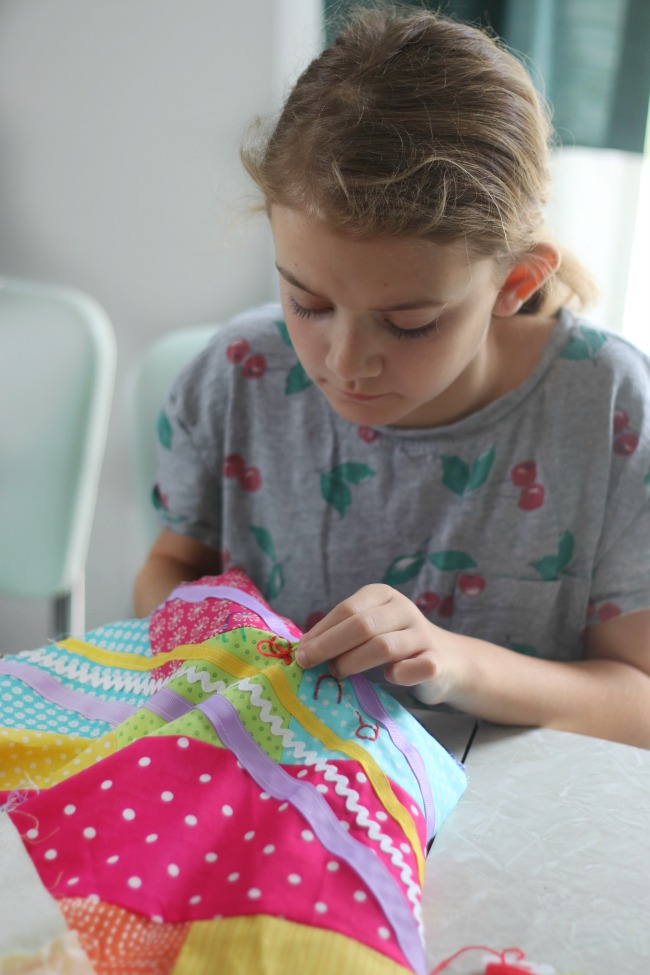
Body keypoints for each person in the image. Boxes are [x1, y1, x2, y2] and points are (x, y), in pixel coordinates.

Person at [134, 5, 650, 749]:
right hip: (281, 810)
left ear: (515, 281)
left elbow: (637, 699)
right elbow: (169, 568)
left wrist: (451, 660)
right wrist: (212, 638)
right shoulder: (238, 376)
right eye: (307, 302)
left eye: (410, 323)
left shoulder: (607, 408)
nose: (344, 362)